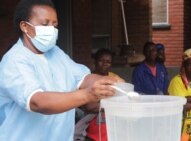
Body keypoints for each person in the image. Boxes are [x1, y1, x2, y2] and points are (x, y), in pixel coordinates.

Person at [0, 1, 122, 141]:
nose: (51, 30)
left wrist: (108, 82)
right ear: (25, 26)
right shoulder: (15, 60)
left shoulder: (55, 53)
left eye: (54, 25)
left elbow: (82, 78)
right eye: (45, 24)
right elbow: (36, 101)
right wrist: (88, 95)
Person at [74, 48, 122, 141]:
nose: (104, 64)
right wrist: (112, 104)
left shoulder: (115, 78)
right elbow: (90, 107)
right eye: (101, 61)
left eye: (108, 61)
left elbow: (122, 101)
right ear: (95, 62)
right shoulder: (87, 79)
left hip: (111, 119)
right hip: (91, 118)